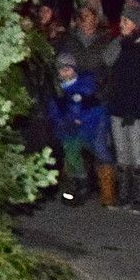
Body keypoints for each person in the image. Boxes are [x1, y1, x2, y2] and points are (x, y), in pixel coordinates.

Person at [105, 5, 140, 210]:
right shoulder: (122, 44)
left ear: (136, 24)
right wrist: (120, 40)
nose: (121, 24)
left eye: (125, 21)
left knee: (138, 153)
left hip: (138, 108)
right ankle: (124, 195)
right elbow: (107, 60)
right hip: (118, 105)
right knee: (122, 153)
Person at [46, 53, 114, 206]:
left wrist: (81, 119)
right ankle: (79, 187)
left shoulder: (86, 87)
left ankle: (108, 192)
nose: (65, 72)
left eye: (68, 68)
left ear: (74, 69)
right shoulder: (57, 91)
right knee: (71, 155)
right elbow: (54, 112)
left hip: (91, 127)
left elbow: (98, 109)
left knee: (101, 152)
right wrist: (64, 122)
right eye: (61, 69)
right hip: (69, 129)